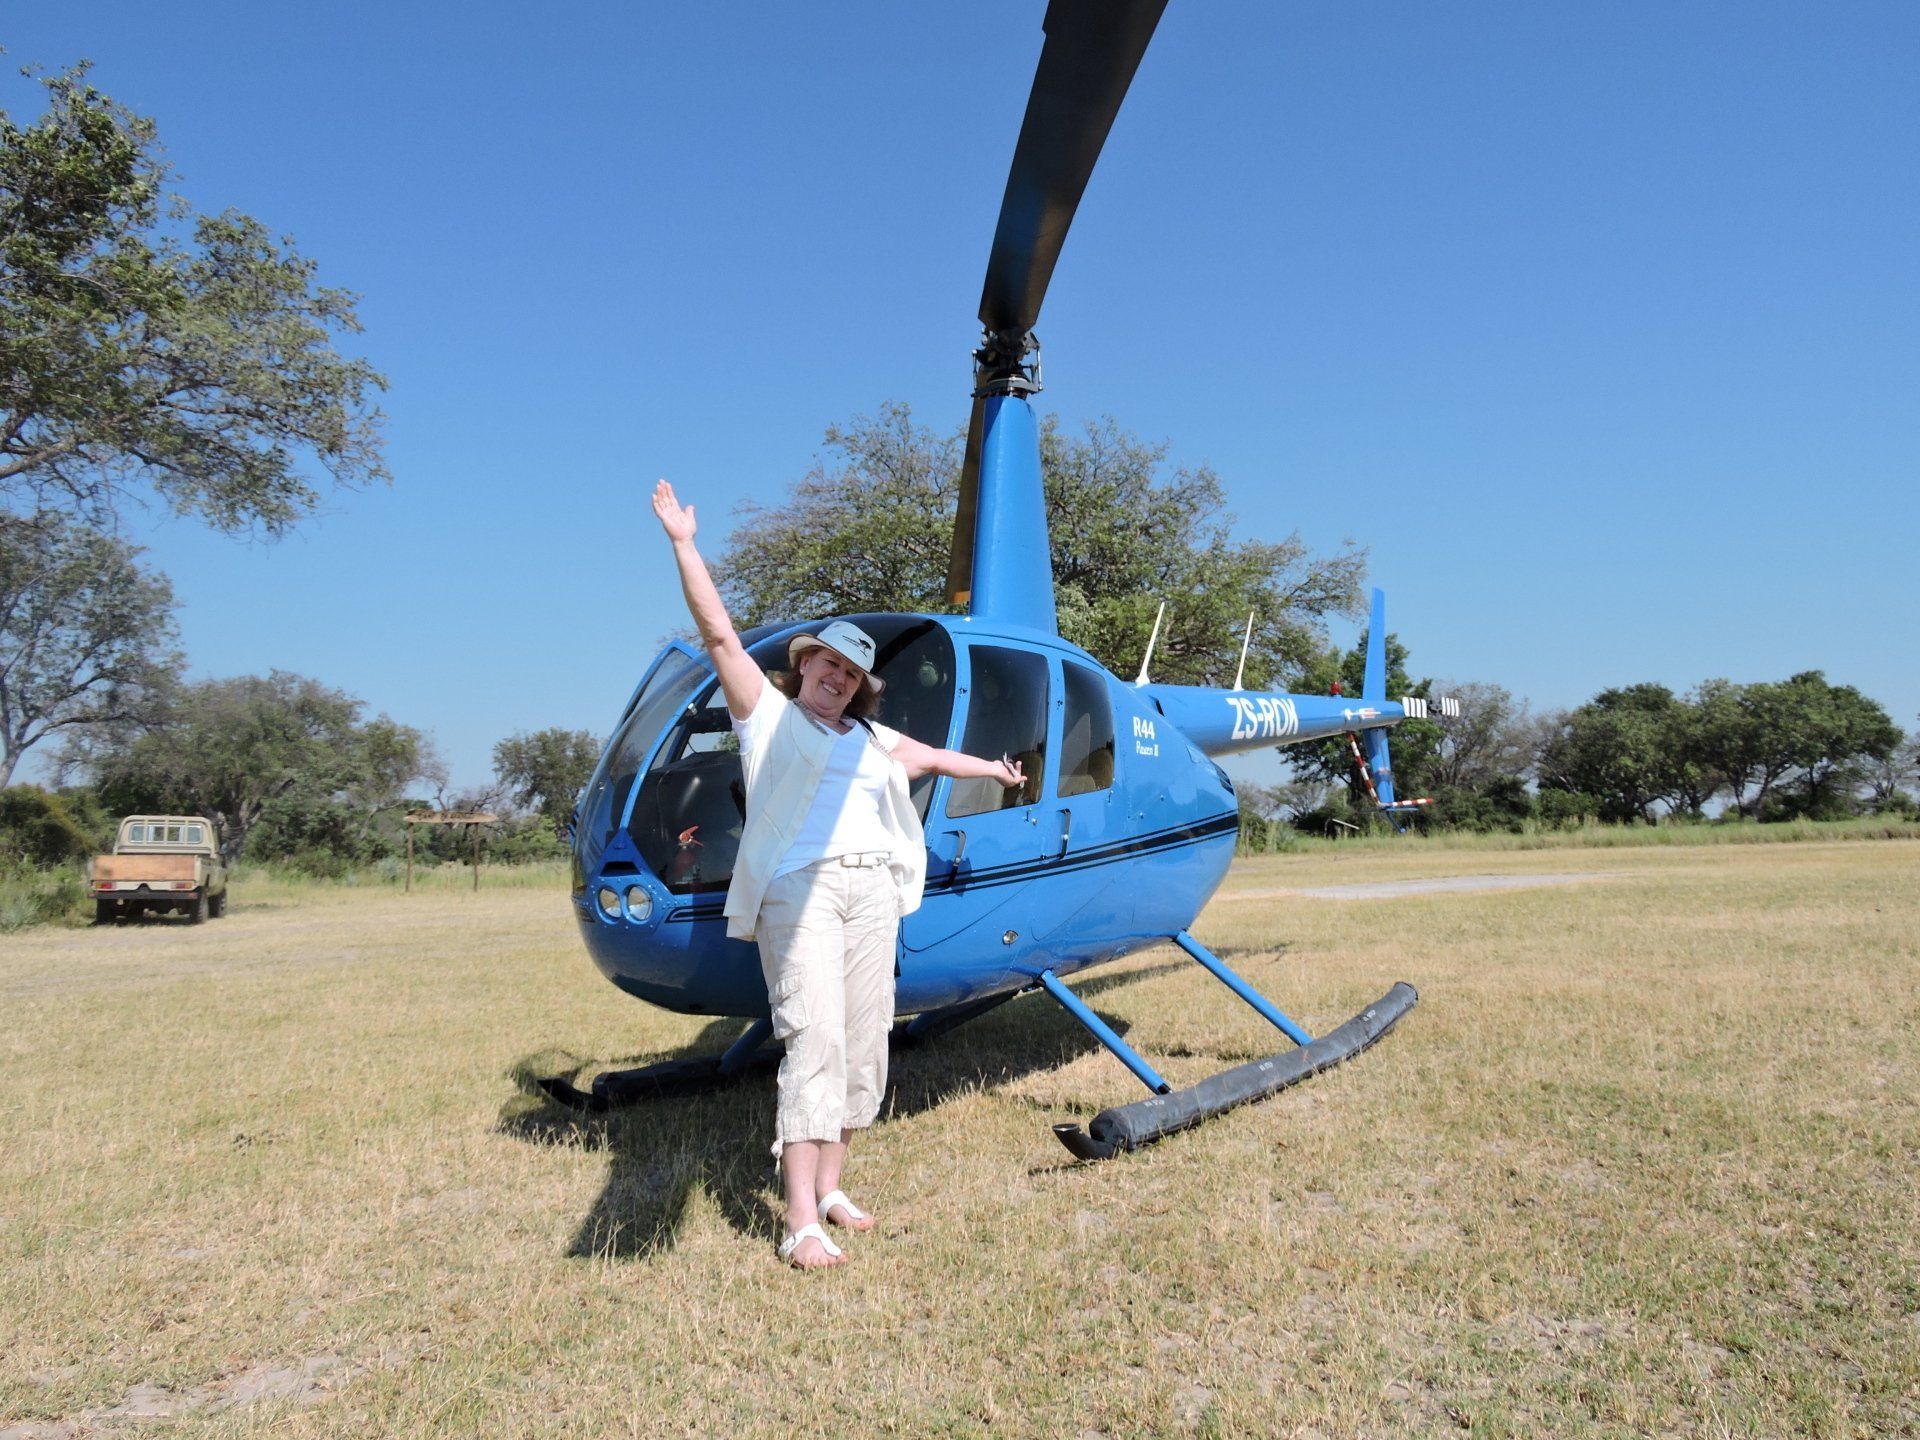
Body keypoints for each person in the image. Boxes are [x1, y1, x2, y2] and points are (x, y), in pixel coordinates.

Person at [651, 478, 1023, 1269]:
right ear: (804, 668)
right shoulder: (769, 718)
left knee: (863, 1044)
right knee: (813, 1039)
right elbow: (719, 637)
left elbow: (928, 758)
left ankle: (830, 1188)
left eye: (851, 674)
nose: (838, 679)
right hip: (803, 892)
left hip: (872, 894)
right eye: (828, 665)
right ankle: (798, 1223)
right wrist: (685, 543)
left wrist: (993, 767)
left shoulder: (870, 737)